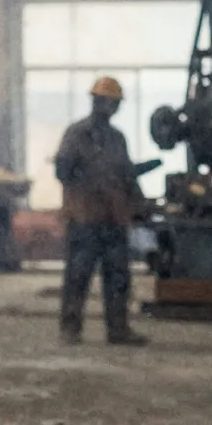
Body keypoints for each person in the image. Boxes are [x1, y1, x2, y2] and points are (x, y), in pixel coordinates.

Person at [52, 77, 149, 346]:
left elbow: (127, 176)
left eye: (114, 103)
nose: (111, 107)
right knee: (78, 274)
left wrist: (139, 204)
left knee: (118, 276)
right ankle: (70, 329)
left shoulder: (117, 139)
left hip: (112, 218)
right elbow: (62, 171)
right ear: (96, 102)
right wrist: (90, 180)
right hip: (85, 218)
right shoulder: (76, 134)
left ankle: (118, 330)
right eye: (108, 102)